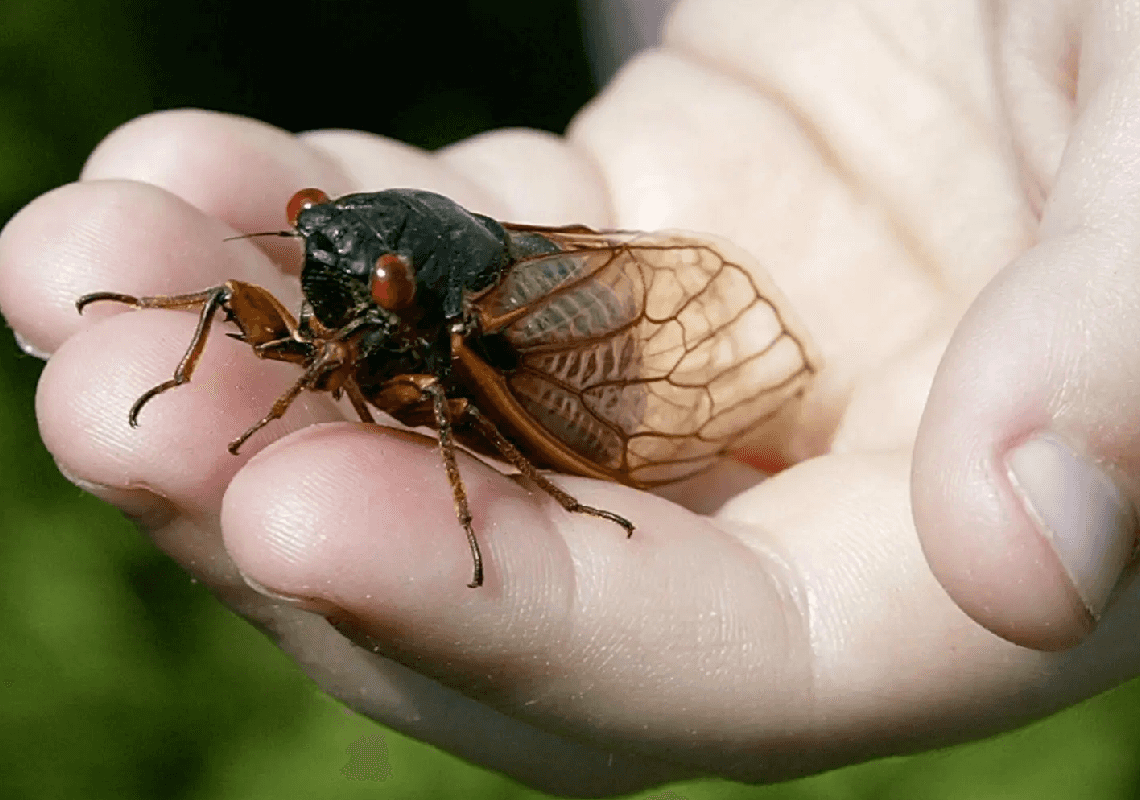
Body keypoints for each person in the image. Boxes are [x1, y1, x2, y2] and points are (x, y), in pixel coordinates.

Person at [1, 0, 1134, 793]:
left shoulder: (437, 318)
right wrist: (232, 363)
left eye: (371, 279)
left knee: (458, 401)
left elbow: (445, 394)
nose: (329, 270)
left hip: (524, 332)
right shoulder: (340, 272)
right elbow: (305, 300)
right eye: (312, 238)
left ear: (407, 290)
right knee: (211, 295)